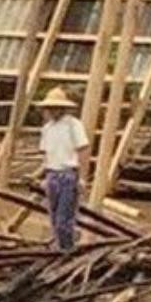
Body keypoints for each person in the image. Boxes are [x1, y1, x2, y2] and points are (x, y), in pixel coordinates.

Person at [38, 86, 89, 253]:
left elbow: (83, 149)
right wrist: (45, 177)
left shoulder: (73, 125)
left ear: (62, 108)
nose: (52, 111)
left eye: (55, 108)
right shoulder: (47, 129)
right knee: (54, 218)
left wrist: (82, 177)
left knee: (63, 219)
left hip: (68, 175)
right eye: (49, 108)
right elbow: (46, 154)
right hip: (53, 174)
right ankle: (63, 245)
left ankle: (68, 249)